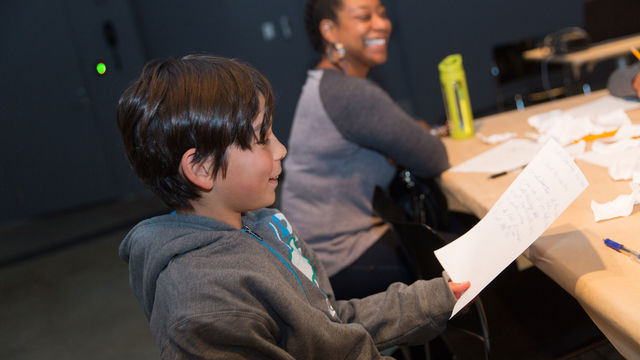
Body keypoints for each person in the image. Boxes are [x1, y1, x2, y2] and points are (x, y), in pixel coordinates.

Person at [116, 54, 470, 359]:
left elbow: (330, 324)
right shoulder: (204, 307)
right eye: (261, 139)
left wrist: (434, 298)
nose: (281, 149)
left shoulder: (265, 225)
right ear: (202, 168)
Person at [281, 0, 451, 300]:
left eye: (382, 13)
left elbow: (406, 135)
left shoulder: (324, 83)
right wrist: (404, 145)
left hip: (314, 260)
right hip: (342, 261)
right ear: (329, 30)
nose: (382, 24)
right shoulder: (350, 94)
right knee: (478, 251)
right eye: (364, 16)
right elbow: (434, 157)